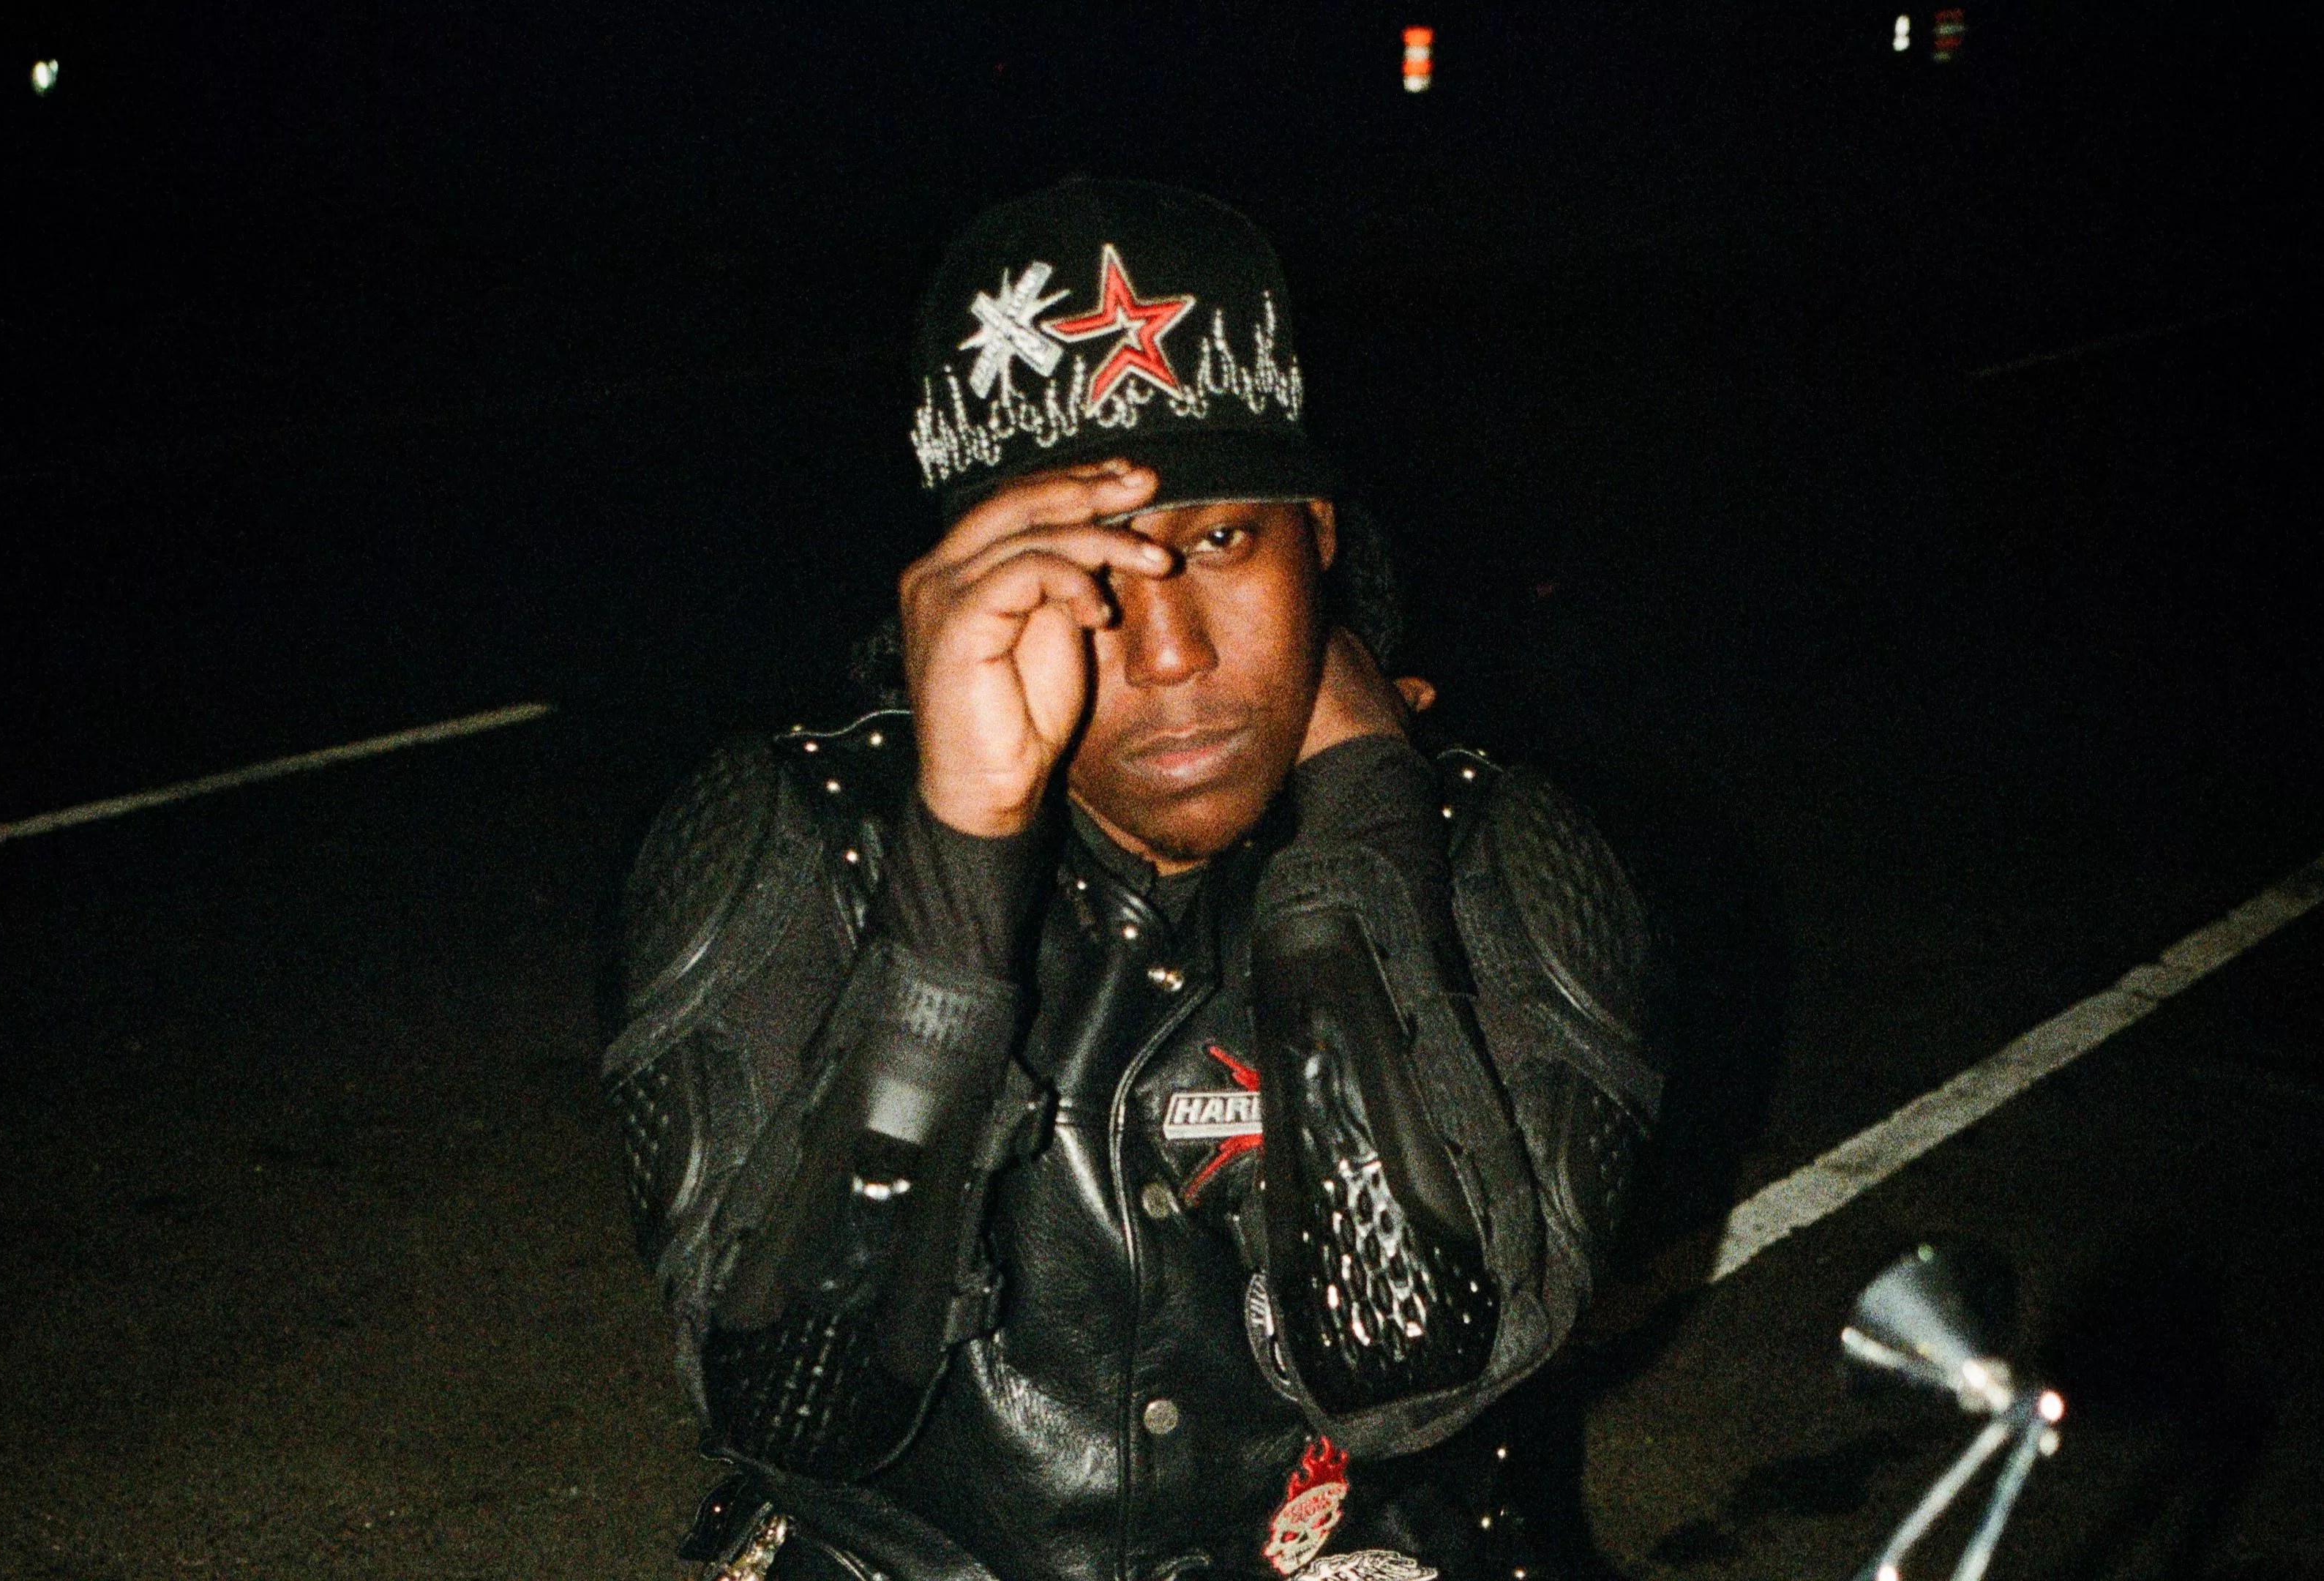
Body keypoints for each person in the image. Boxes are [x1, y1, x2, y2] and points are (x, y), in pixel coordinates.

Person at [604, 180, 1661, 1581]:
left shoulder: (1495, 855)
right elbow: (796, 1404)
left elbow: (1408, 1361)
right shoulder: (796, 839)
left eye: (1221, 543)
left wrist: (1356, 852)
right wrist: (960, 869)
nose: (1170, 653)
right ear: (958, 595)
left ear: (1318, 538)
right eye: (1082, 575)